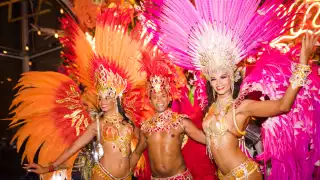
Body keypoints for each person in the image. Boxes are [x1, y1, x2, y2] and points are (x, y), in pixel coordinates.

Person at [142, 0, 320, 179]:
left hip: (244, 175)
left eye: (223, 77)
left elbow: (283, 105)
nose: (218, 83)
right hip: (223, 175)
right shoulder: (211, 109)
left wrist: (303, 64)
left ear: (232, 76)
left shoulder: (241, 107)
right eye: (213, 78)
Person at [9, 7, 150, 180]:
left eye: (107, 97)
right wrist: (48, 168)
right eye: (101, 97)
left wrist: (133, 159)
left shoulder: (129, 120)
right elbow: (72, 149)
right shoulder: (97, 125)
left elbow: (142, 141)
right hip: (101, 176)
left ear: (117, 97)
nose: (102, 101)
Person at [130, 51, 206, 179]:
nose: (159, 100)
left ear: (170, 97)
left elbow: (206, 140)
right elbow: (137, 153)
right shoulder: (145, 127)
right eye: (155, 96)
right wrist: (125, 173)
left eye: (163, 95)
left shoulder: (181, 122)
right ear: (150, 99)